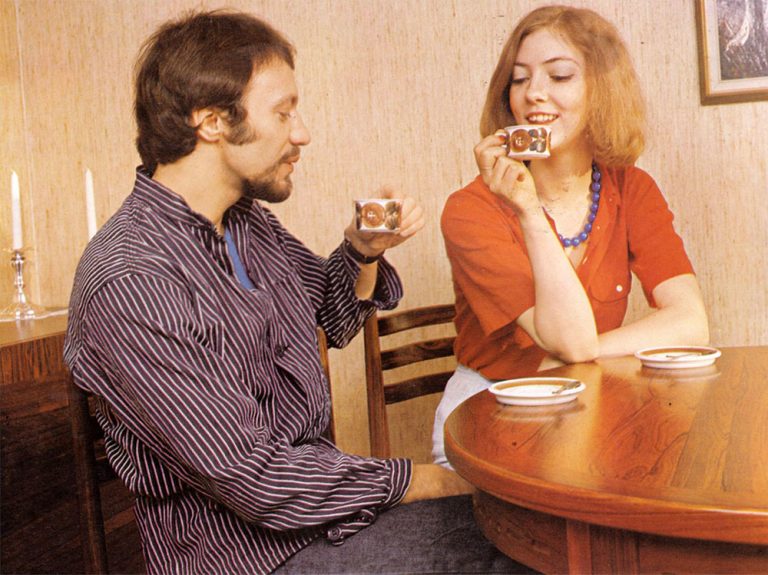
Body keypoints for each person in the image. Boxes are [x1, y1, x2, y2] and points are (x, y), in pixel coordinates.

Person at [64, 10, 534, 575]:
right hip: (249, 557)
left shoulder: (245, 223)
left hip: (322, 523)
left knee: (537, 528)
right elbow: (255, 477)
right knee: (524, 550)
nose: (302, 132)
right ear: (211, 121)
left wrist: (362, 251)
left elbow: (334, 317)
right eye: (283, 112)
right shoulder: (132, 280)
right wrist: (426, 479)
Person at [432, 5, 709, 467]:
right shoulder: (470, 209)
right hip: (489, 411)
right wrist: (527, 209)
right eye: (519, 79)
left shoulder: (632, 188)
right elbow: (570, 340)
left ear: (601, 90)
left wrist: (586, 355)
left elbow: (691, 322)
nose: (533, 94)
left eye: (559, 76)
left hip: (586, 401)